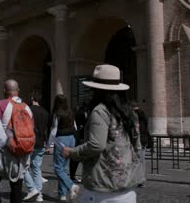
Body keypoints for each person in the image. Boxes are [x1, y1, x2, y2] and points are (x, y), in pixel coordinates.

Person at [62, 64, 145, 203]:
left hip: (103, 187)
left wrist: (73, 152)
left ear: (97, 90)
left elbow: (96, 145)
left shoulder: (100, 112)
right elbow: (137, 146)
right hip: (128, 185)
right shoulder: (130, 112)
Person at [0, 79, 33, 203]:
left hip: (4, 152)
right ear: (18, 90)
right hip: (22, 151)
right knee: (16, 187)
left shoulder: (0, 105)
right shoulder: (27, 107)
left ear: (4, 91)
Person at [46, 94, 80, 202]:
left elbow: (54, 130)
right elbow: (75, 127)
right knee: (64, 168)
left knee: (58, 168)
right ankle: (62, 194)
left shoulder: (57, 113)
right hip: (72, 139)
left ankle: (71, 186)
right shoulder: (70, 112)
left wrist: (48, 144)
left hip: (61, 139)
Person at [23, 91, 50, 202]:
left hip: (30, 141)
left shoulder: (28, 110)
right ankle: (39, 194)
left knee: (23, 168)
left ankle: (32, 189)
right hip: (41, 142)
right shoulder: (45, 112)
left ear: (32, 98)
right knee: (37, 168)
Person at [131, 101, 152, 188]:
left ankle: (137, 179)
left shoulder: (132, 115)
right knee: (141, 160)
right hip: (144, 139)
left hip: (136, 139)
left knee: (134, 160)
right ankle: (141, 179)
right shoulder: (143, 114)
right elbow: (147, 126)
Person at [70, 100, 91, 184]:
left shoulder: (79, 112)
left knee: (76, 158)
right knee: (81, 158)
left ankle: (72, 175)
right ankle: (79, 176)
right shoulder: (86, 113)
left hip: (78, 137)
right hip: (82, 137)